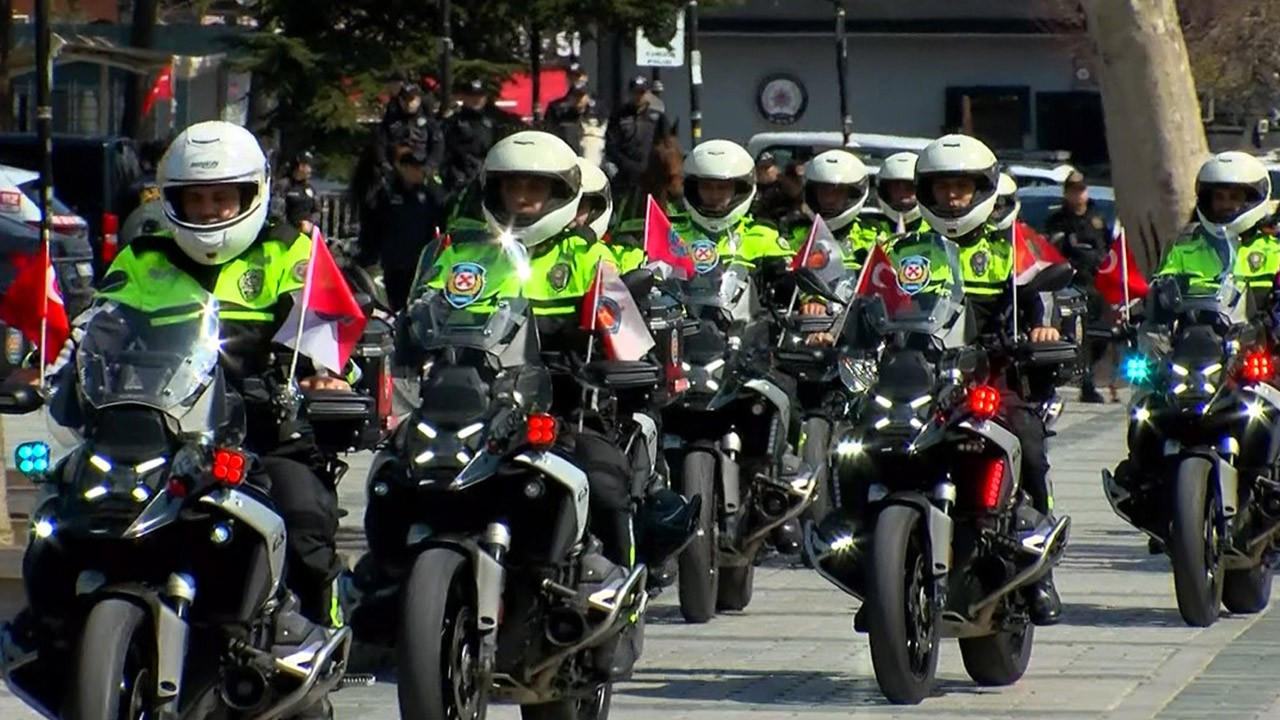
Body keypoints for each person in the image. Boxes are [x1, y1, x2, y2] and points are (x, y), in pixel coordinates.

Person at [34, 121, 346, 718]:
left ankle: (312, 626)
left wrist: (325, 375)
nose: (208, 210)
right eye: (194, 199)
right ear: (171, 200)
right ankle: (49, 631)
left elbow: (332, 332)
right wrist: (55, 365)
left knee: (300, 504)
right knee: (62, 510)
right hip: (153, 425)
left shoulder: (291, 251)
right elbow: (99, 325)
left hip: (258, 427)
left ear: (251, 196)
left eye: (221, 198)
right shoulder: (143, 257)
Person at [382, 130, 637, 569]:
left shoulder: (588, 258)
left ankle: (616, 581)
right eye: (512, 185)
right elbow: (418, 313)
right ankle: (382, 583)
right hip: (466, 403)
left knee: (607, 483)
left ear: (561, 194)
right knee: (390, 480)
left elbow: (626, 336)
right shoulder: (459, 252)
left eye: (535, 186)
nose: (522, 196)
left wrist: (613, 357)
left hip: (559, 403)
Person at [894, 134, 1063, 625]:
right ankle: (876, 564)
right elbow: (871, 302)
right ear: (926, 190)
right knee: (861, 447)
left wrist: (1041, 325)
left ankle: (1040, 568)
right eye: (943, 187)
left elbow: (1044, 293)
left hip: (990, 375)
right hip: (920, 380)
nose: (952, 198)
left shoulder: (1012, 245)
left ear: (982, 190)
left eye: (962, 188)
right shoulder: (904, 249)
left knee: (1028, 440)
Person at [1157, 151, 1277, 311]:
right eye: (1219, 197)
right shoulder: (1183, 253)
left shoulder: (1275, 252)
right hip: (1195, 335)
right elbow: (1159, 299)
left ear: (1251, 200)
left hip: (1256, 335)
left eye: (1234, 197)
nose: (1225, 204)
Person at [356, 136, 448, 312]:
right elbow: (373, 226)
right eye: (415, 167)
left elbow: (443, 219)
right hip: (394, 263)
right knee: (396, 307)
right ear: (404, 168)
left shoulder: (430, 195)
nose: (420, 171)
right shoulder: (386, 194)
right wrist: (368, 253)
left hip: (421, 263)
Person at [1046, 169, 1114, 403]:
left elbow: (1108, 250)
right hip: (1067, 284)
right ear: (1066, 193)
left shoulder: (1097, 218)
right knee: (1070, 336)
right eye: (1073, 191)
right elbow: (1051, 250)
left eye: (1081, 190)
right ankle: (1071, 381)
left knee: (1100, 336)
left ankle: (1090, 377)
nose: (1078, 196)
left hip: (1094, 284)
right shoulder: (1058, 220)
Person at [604, 75, 671, 206]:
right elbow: (611, 146)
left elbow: (666, 144)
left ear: (648, 93)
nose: (639, 96)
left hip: (651, 176)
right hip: (624, 175)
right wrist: (627, 165)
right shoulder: (618, 116)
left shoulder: (658, 117)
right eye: (635, 92)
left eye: (642, 92)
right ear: (629, 93)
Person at [441, 79, 503, 195]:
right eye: (472, 96)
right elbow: (443, 152)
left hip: (484, 181)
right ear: (464, 97)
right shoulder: (452, 122)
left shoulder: (491, 123)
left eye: (480, 96)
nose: (476, 100)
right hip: (458, 182)